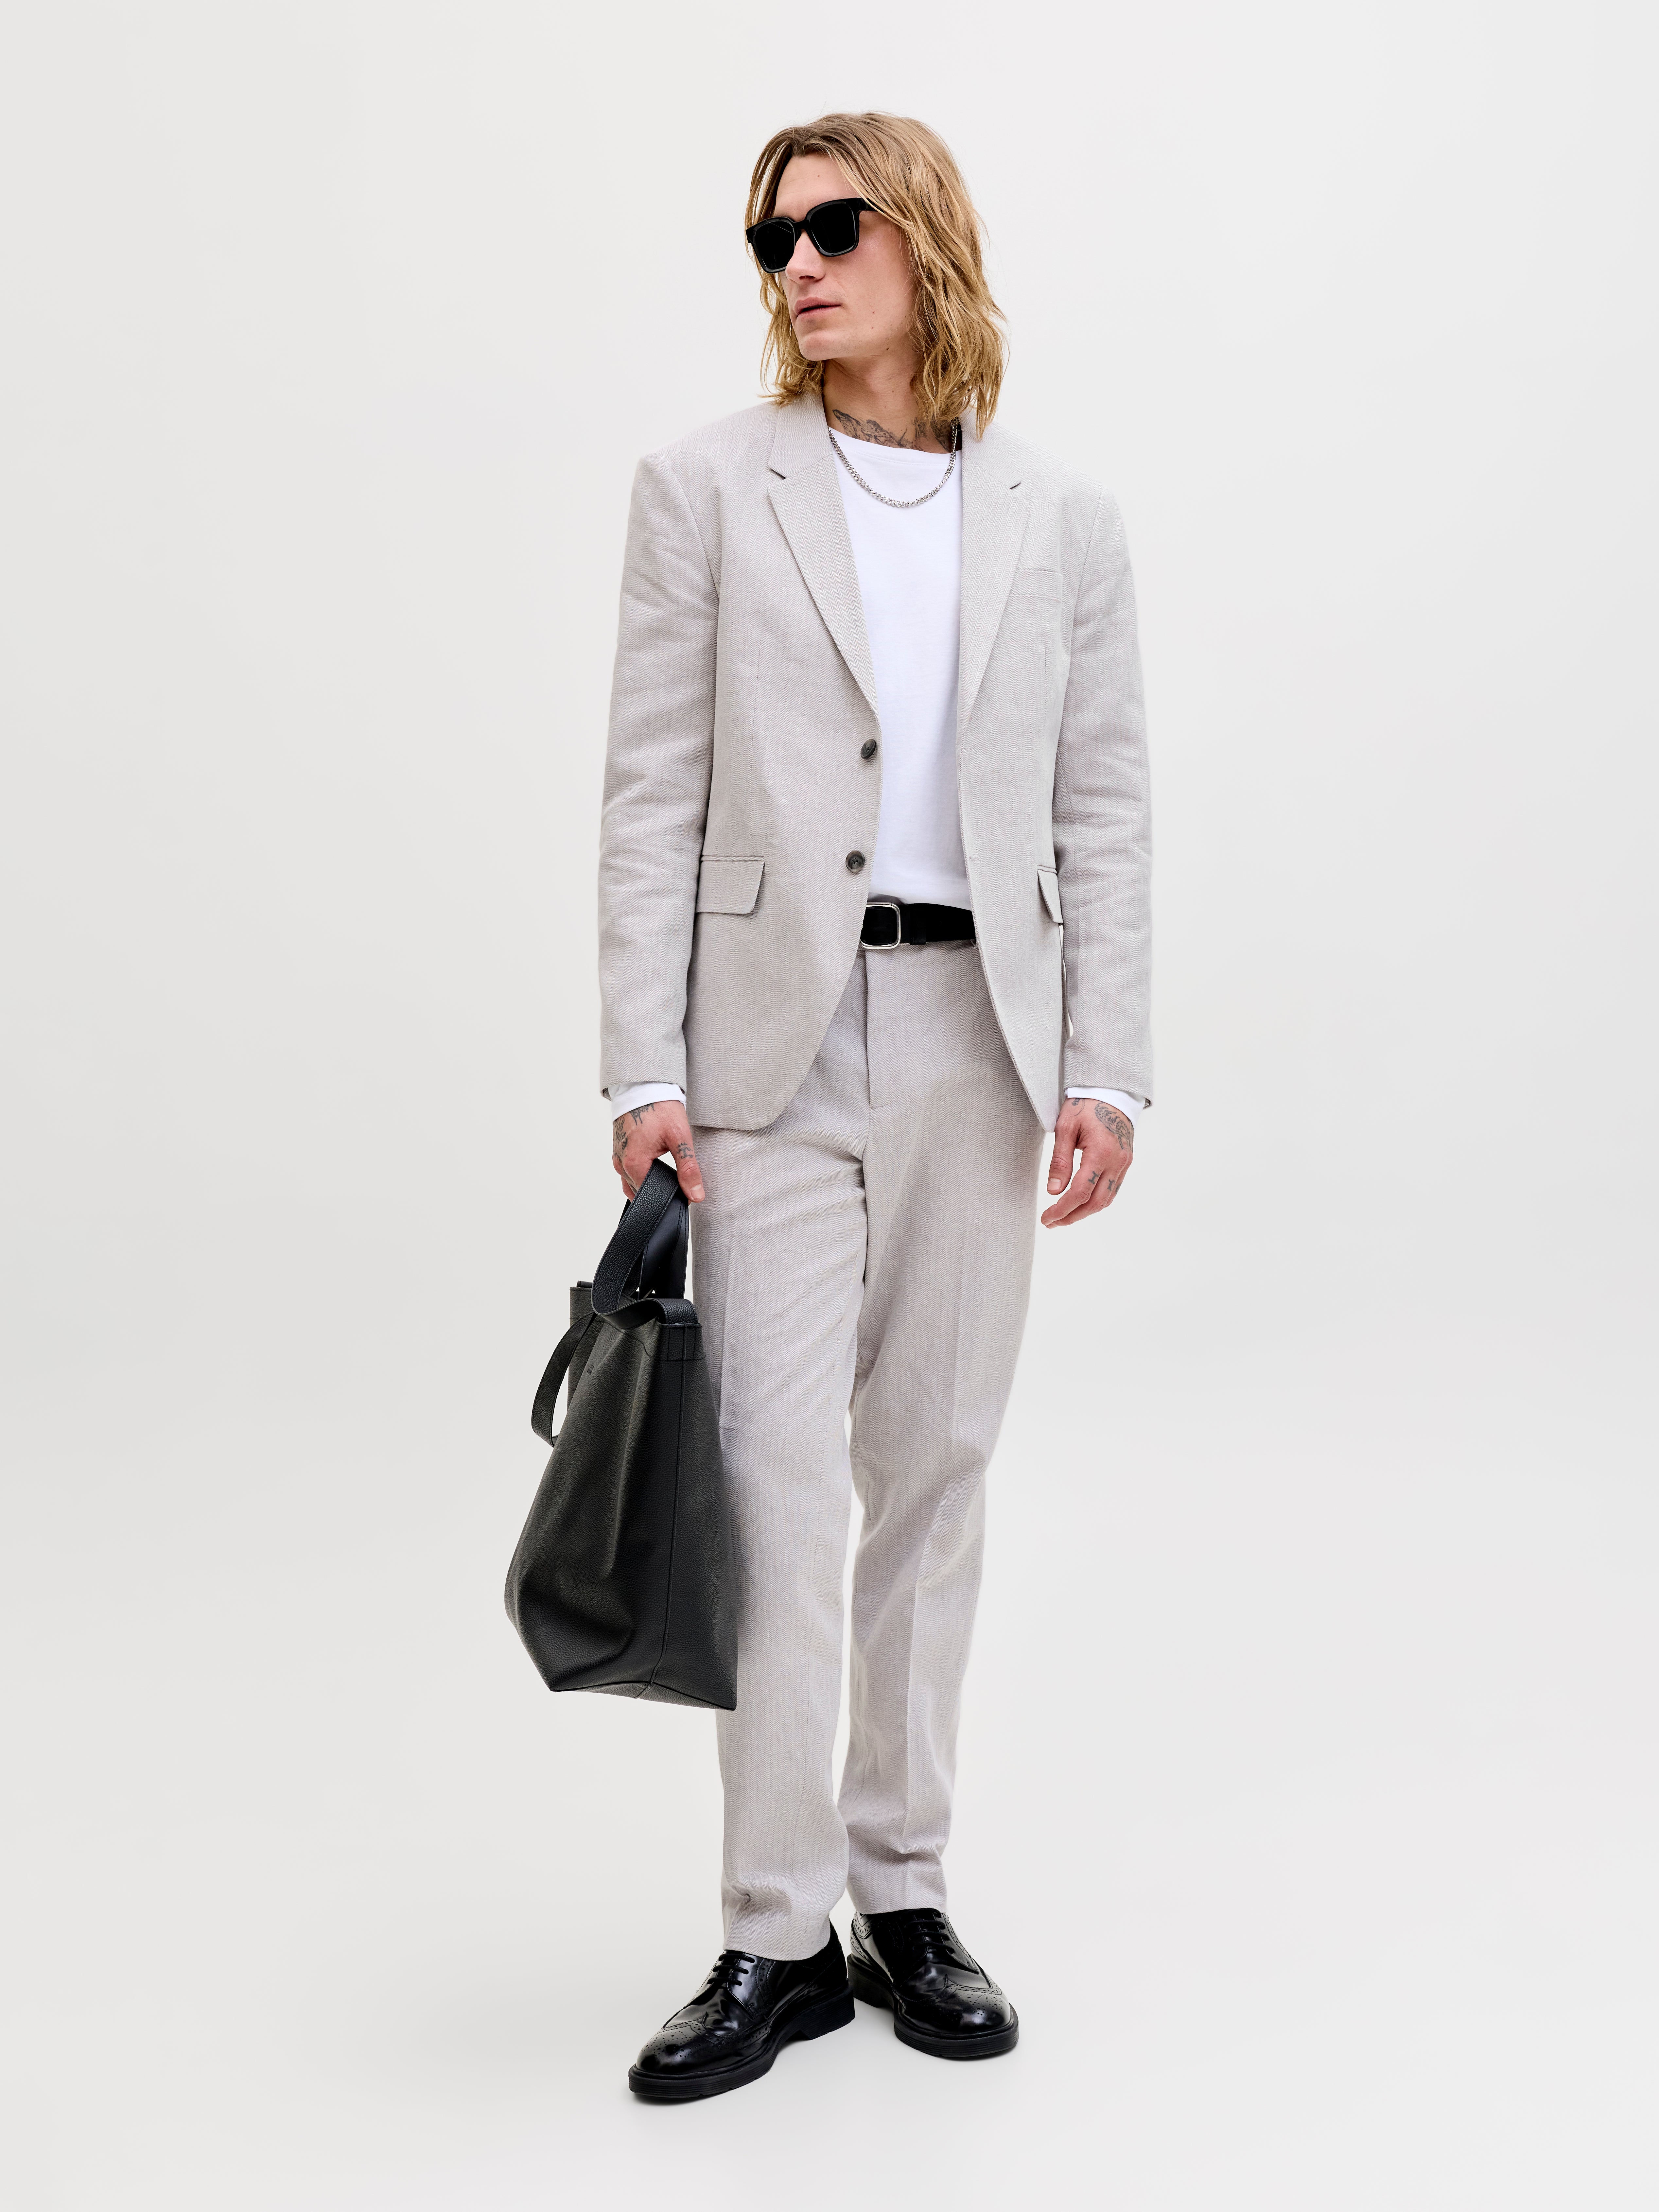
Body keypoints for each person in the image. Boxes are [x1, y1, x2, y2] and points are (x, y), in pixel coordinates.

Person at [598, 112, 1151, 2100]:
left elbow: (1104, 804)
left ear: (924, 238)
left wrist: (1104, 1065)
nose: (801, 267)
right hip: (770, 1049)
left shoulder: (1061, 519)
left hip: (980, 1041)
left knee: (936, 1468)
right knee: (772, 1483)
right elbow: (651, 789)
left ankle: (902, 1891)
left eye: (834, 227)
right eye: (773, 242)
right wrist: (644, 1067)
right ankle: (774, 1932)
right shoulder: (705, 488)